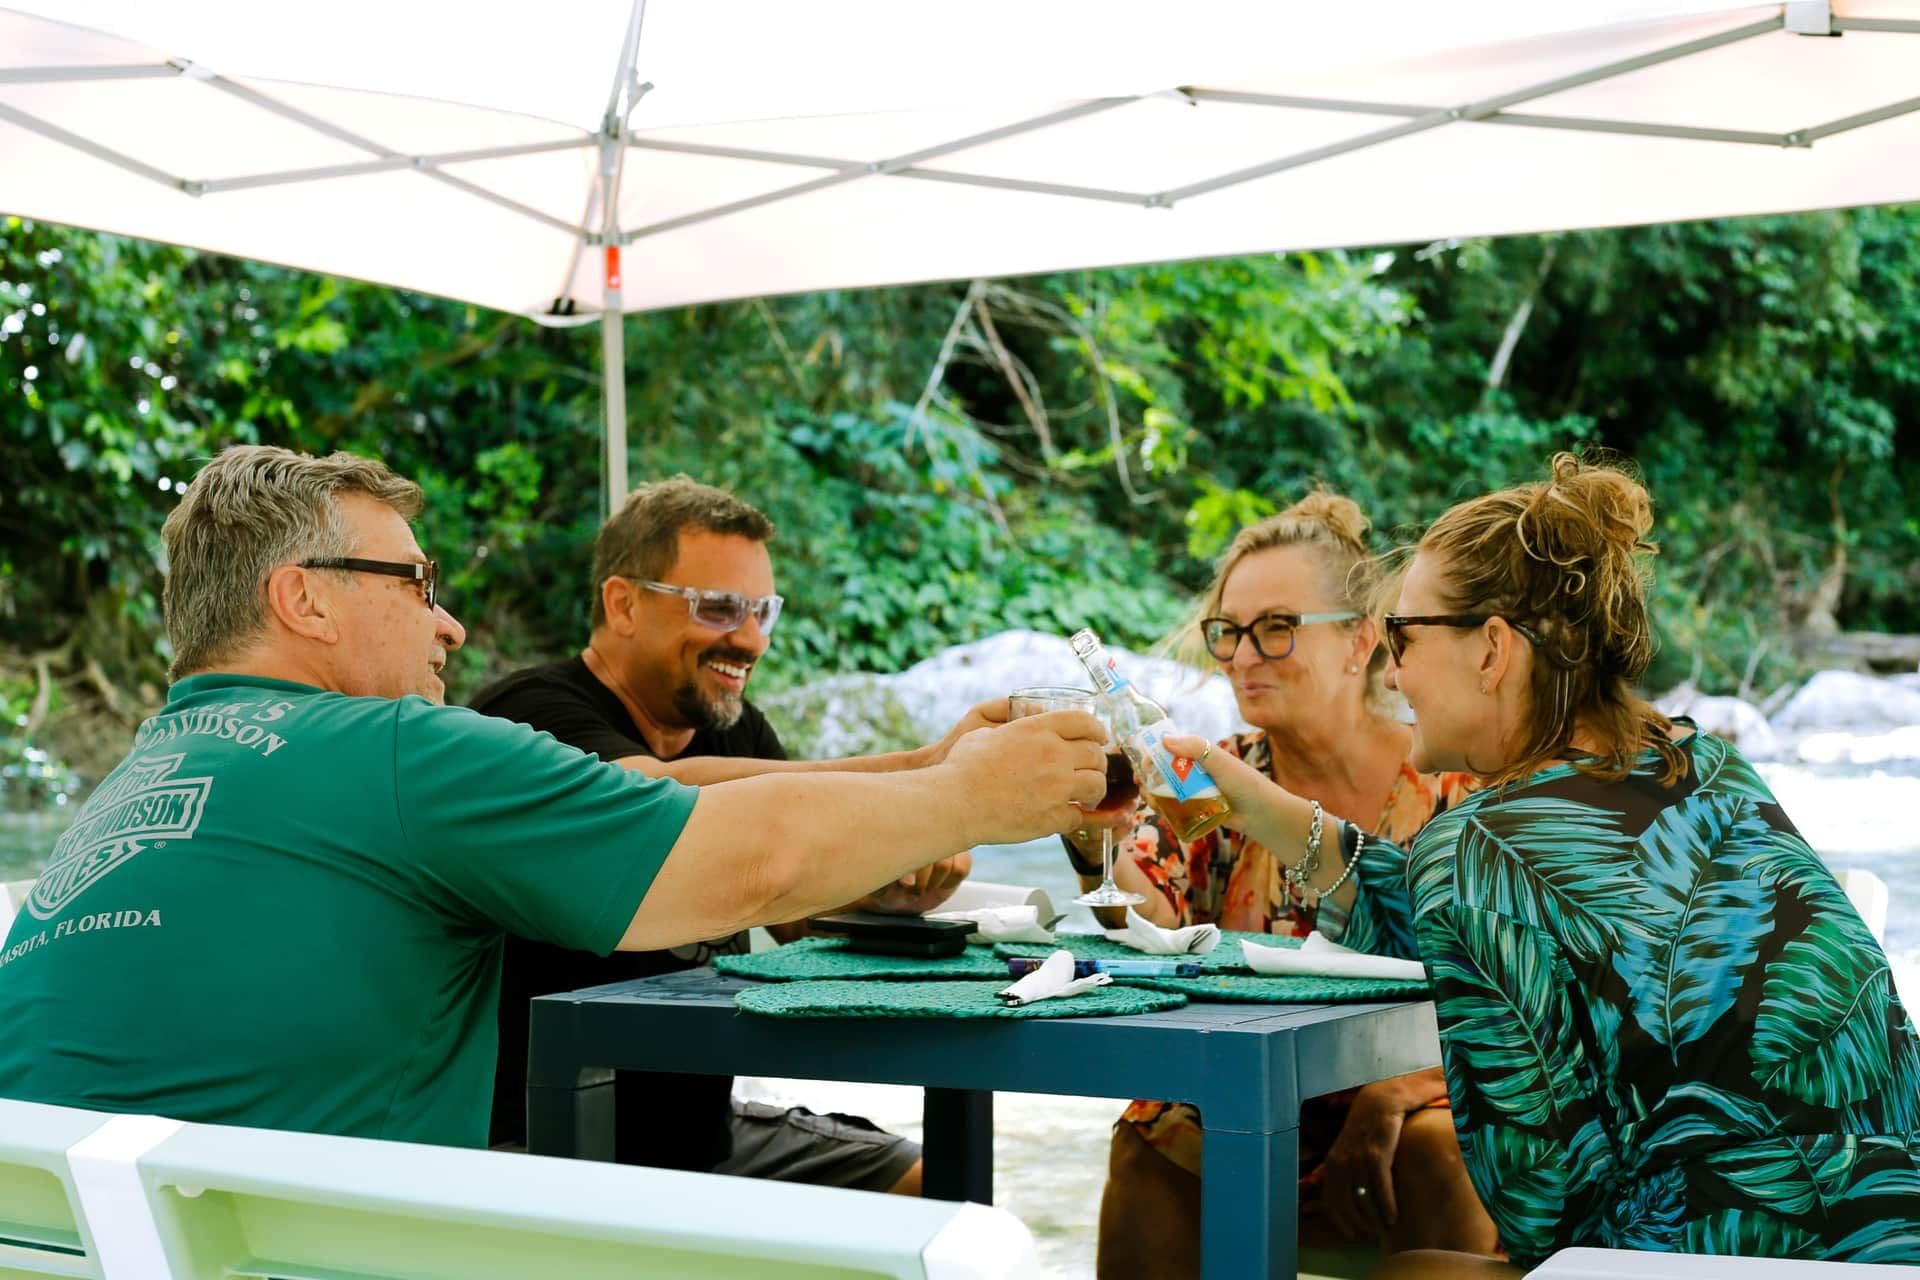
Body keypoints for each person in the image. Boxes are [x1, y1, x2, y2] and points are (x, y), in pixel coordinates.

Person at [0, 446, 1108, 1150]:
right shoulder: (397, 749)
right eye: (417, 583)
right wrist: (969, 791)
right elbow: (739, 857)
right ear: (304, 600)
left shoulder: (134, 781)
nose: (452, 625)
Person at [1168, 454, 1920, 1276]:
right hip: (1887, 1247)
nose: (1392, 669)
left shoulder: (1473, 853)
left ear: (1492, 650)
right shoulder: (1703, 762)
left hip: (1713, 1260)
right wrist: (1238, 793)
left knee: (1408, 1273)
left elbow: (1535, 1204)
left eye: (1404, 636)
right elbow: (1446, 893)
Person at [472, 475, 992, 1194]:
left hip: (700, 1138)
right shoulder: (530, 714)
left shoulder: (738, 730)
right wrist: (926, 769)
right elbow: (643, 795)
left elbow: (799, 913)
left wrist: (891, 889)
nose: (748, 639)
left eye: (762, 611)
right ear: (622, 604)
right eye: (717, 608)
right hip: (540, 1141)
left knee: (944, 1191)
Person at [1075, 493, 1496, 1279]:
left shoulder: (1455, 783)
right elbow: (1152, 918)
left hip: (1418, 1105)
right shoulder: (1211, 776)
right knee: (1148, 1144)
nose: (1241, 656)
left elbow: (1517, 1000)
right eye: (1228, 632)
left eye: (1276, 628)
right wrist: (1090, 836)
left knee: (1445, 1147)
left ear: (1361, 640)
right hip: (1247, 1099)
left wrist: (1389, 1095)